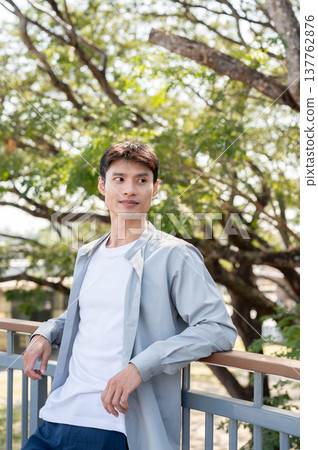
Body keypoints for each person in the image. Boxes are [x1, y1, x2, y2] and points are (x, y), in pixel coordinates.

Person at [22, 141, 237, 450]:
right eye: (119, 179)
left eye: (141, 180)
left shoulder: (174, 254)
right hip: (57, 417)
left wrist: (140, 366)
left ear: (156, 187)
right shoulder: (88, 253)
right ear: (102, 185)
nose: (129, 190)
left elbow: (218, 329)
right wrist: (45, 333)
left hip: (116, 427)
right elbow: (85, 315)